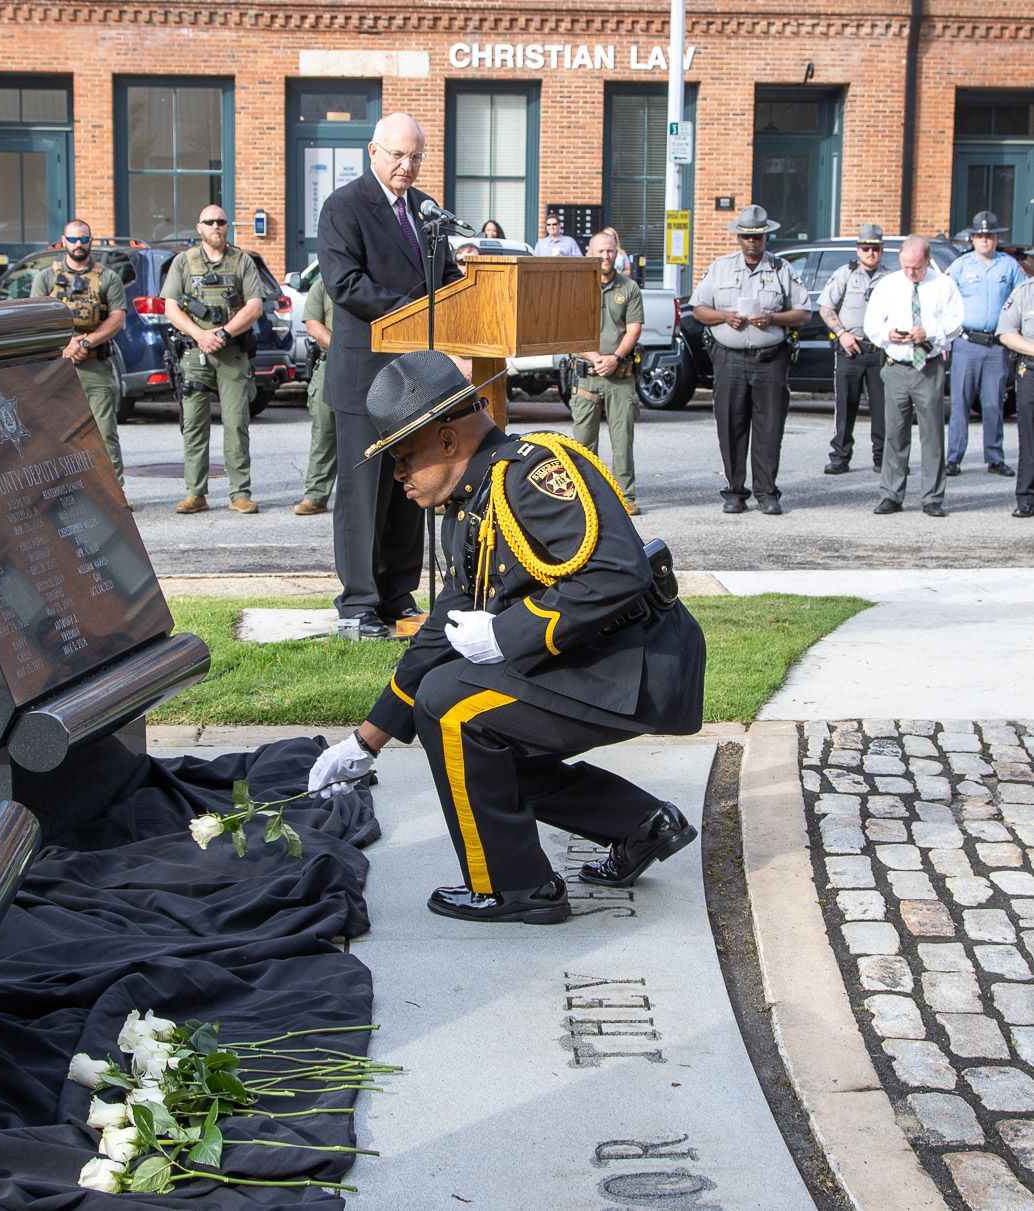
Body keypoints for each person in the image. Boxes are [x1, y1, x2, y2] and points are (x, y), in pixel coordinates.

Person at [307, 350, 706, 923]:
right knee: (468, 731)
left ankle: (516, 888)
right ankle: (639, 824)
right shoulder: (475, 497)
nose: (398, 475)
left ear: (447, 440)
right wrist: (364, 741)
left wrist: (506, 634)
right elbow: (444, 627)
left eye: (403, 456)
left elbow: (619, 572)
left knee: (449, 706)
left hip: (637, 667)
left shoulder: (532, 473)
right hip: (601, 661)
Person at [316, 112, 463, 639]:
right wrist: (415, 312)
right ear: (373, 151)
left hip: (417, 378)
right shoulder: (344, 206)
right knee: (363, 497)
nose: (407, 165)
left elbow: (447, 276)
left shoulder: (425, 210)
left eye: (416, 156)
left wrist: (466, 297)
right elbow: (345, 283)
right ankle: (358, 603)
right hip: (366, 376)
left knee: (410, 489)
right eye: (398, 155)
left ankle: (398, 594)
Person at [690, 204, 811, 515]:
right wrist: (724, 316)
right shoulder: (720, 267)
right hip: (728, 359)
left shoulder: (782, 269)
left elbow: (804, 313)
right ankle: (734, 492)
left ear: (767, 237)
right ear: (738, 237)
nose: (752, 242)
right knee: (730, 426)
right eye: (746, 236)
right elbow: (699, 309)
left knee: (769, 428)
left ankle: (767, 493)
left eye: (758, 237)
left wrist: (772, 318)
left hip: (770, 360)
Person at [162, 205, 267, 516]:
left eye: (221, 221)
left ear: (227, 226)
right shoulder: (184, 262)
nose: (216, 226)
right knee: (194, 425)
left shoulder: (242, 261)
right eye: (209, 222)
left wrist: (222, 333)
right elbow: (170, 307)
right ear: (199, 227)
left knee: (236, 424)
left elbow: (254, 306)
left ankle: (240, 493)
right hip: (195, 354)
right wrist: (200, 334)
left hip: (231, 352)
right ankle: (195, 493)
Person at [864, 235, 964, 517]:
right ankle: (891, 494)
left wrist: (929, 333)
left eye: (917, 268)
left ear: (928, 261)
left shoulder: (943, 285)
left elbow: (956, 322)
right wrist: (888, 335)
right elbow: (871, 324)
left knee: (932, 435)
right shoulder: (889, 284)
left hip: (928, 367)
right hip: (897, 365)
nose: (911, 273)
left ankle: (932, 497)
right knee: (895, 433)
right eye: (906, 267)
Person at [30, 220, 129, 495]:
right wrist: (65, 346)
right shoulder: (45, 277)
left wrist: (85, 341)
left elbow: (118, 318)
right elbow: (36, 318)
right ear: (63, 241)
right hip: (56, 366)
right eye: (73, 239)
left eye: (83, 239)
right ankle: (62, 494)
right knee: (53, 432)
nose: (78, 244)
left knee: (104, 431)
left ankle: (115, 493)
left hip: (94, 363)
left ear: (91, 241)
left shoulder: (108, 277)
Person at [945, 210, 1025, 478]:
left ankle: (994, 457)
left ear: (997, 238)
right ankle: (953, 458)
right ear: (972, 238)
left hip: (997, 346)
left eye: (989, 236)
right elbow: (945, 303)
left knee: (993, 405)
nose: (985, 240)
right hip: (966, 343)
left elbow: (1023, 297)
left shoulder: (1009, 265)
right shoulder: (960, 266)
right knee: (960, 403)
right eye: (980, 236)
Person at [571, 231, 645, 514]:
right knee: (583, 443)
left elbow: (634, 329)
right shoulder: (577, 286)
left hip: (620, 376)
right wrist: (596, 358)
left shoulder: (629, 288)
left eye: (610, 251)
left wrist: (614, 358)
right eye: (600, 251)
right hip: (586, 376)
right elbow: (570, 330)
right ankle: (584, 498)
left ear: (617, 253)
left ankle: (625, 496)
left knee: (623, 440)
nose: (606, 256)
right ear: (590, 253)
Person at [818, 223, 891, 474]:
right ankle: (840, 456)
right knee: (845, 407)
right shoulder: (845, 274)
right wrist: (842, 334)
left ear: (881, 251)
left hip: (879, 351)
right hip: (850, 350)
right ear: (858, 250)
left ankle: (883, 458)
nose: (871, 253)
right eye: (866, 248)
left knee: (882, 408)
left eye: (875, 249)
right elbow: (826, 308)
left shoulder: (890, 278)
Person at [294, 277, 337, 516]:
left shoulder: (376, 279)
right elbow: (313, 325)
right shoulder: (322, 285)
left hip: (372, 363)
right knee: (324, 432)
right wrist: (343, 348)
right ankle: (316, 495)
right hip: (332, 361)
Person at [996, 268, 1034, 518]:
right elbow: (1007, 334)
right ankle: (1027, 497)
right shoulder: (1024, 292)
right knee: (1029, 435)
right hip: (1031, 369)